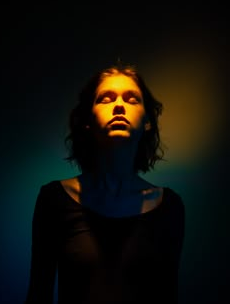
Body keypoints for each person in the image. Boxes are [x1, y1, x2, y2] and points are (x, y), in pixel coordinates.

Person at [25, 62, 185, 304]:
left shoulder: (169, 207)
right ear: (88, 120)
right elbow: (38, 295)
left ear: (147, 121)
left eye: (132, 99)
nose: (119, 106)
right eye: (106, 99)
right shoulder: (54, 199)